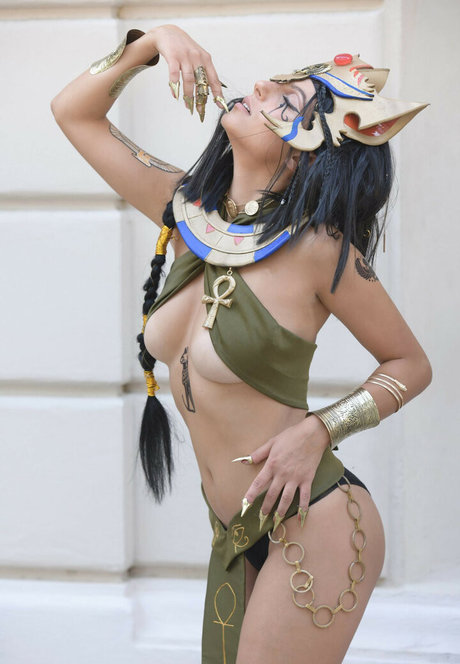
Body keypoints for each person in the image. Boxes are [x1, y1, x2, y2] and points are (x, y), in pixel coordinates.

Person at [50, 24, 431, 664]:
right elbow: (74, 112)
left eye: (286, 99)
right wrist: (154, 43)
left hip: (315, 520)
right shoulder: (186, 212)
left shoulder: (319, 249)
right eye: (272, 84)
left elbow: (411, 364)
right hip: (231, 528)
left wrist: (320, 430)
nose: (259, 87)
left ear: (307, 150)